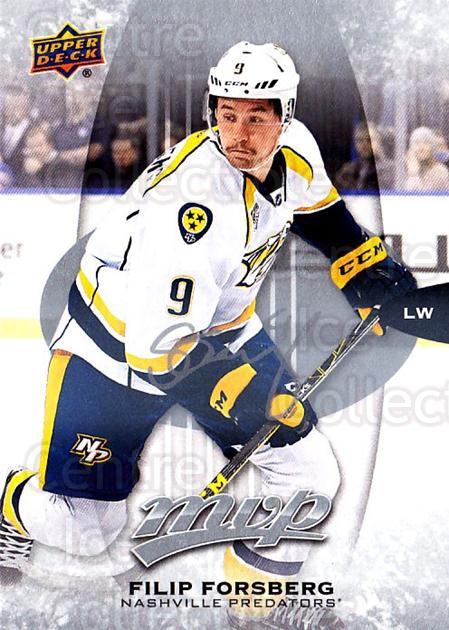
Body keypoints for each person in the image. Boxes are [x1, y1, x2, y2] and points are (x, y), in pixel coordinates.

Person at [0, 42, 415, 627]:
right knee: (86, 529)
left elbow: (323, 216)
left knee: (309, 469)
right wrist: (246, 395)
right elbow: (157, 348)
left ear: (286, 116)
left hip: (221, 326)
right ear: (212, 110)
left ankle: (257, 608)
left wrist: (367, 270)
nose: (239, 133)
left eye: (257, 117)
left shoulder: (296, 149)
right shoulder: (193, 208)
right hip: (112, 352)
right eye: (227, 114)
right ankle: (14, 501)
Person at [335, 122, 394, 191]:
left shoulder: (390, 170)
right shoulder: (347, 171)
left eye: (369, 140)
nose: (364, 144)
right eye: (360, 140)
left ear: (378, 141)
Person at [404, 126, 449, 191]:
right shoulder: (408, 169)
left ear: (433, 147)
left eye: (426, 143)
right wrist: (412, 172)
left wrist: (414, 174)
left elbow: (421, 196)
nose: (421, 148)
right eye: (417, 143)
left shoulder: (440, 172)